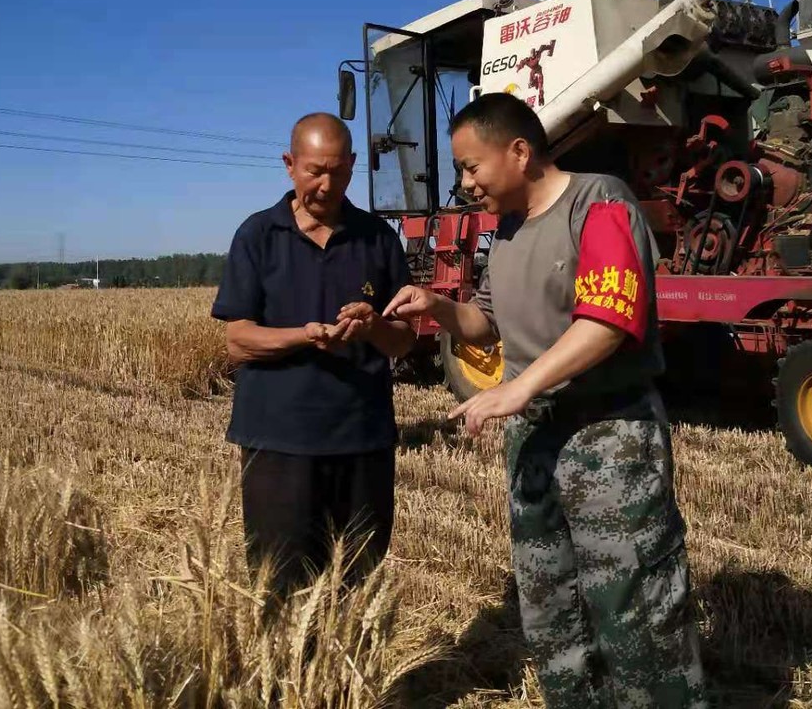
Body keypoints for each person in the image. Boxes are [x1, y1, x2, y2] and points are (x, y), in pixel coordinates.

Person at [383, 92, 707, 708]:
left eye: (471, 167)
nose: (465, 183)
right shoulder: (506, 230)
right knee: (552, 608)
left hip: (608, 436)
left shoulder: (598, 201)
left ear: (519, 152)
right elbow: (484, 324)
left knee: (635, 607)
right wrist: (437, 306)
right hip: (535, 440)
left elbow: (608, 320)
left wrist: (521, 385)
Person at [211, 112, 416, 600]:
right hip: (279, 443)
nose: (326, 185)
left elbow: (404, 341)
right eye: (314, 171)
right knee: (281, 589)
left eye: (338, 172)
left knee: (359, 585)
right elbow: (238, 340)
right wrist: (304, 336)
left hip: (363, 440)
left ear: (352, 165)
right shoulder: (258, 236)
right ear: (289, 164)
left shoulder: (378, 238)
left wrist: (373, 327)